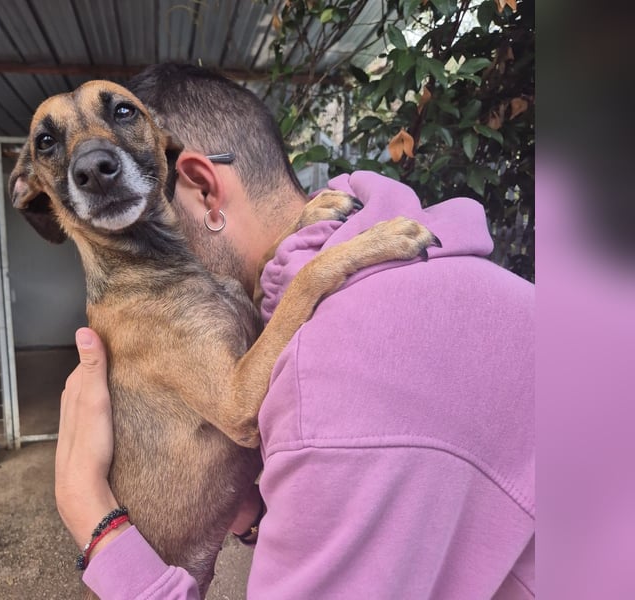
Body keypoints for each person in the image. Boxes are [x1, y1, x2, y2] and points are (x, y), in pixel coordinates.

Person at [55, 63, 535, 599]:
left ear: (201, 187)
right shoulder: (449, 276)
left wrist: (91, 514)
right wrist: (253, 514)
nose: (93, 164)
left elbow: (244, 404)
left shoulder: (331, 383)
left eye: (122, 117)